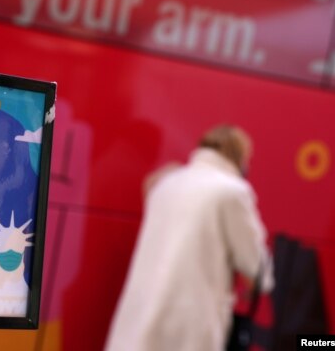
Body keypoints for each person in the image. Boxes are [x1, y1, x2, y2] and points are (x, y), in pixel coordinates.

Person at [105, 124, 273, 351]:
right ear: (240, 157)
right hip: (187, 327)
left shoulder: (168, 183)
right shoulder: (233, 192)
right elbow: (257, 269)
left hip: (140, 316)